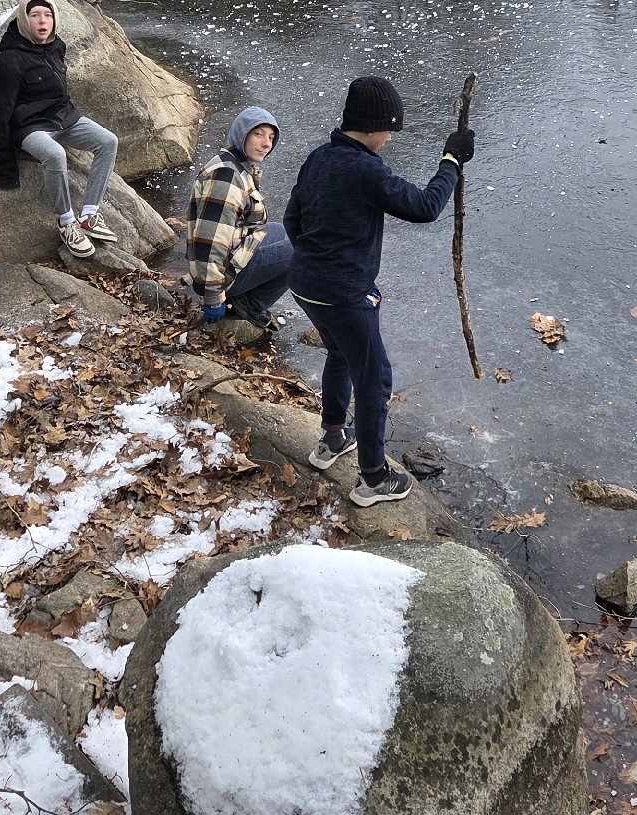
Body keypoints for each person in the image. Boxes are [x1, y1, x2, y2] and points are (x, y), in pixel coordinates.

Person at [284, 75, 475, 507]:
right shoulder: (367, 169)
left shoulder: (320, 158)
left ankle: (333, 437)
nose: (392, 137)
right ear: (373, 126)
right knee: (375, 379)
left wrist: (318, 265)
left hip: (304, 284)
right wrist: (451, 160)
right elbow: (426, 207)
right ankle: (372, 477)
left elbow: (292, 218)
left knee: (339, 353)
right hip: (343, 294)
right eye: (391, 128)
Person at [0, 0, 119, 259]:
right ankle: (66, 222)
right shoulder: (8, 62)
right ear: (24, 20)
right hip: (30, 127)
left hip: (62, 117)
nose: (42, 21)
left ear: (55, 19)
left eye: (47, 15)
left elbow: (60, 90)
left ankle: (89, 214)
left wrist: (71, 115)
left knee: (108, 141)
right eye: (35, 15)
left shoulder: (57, 46)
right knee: (56, 154)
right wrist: (5, 171)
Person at [186, 106, 291, 331]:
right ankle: (250, 303)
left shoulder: (236, 165)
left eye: (271, 137)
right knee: (304, 250)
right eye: (258, 134)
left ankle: (244, 297)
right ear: (241, 135)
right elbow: (210, 241)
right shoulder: (226, 176)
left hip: (232, 256)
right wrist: (213, 298)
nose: (266, 143)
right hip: (223, 274)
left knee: (282, 231)